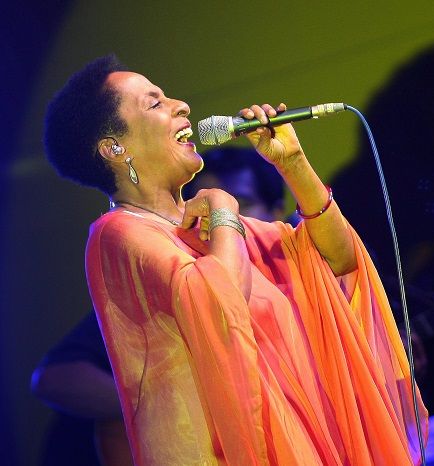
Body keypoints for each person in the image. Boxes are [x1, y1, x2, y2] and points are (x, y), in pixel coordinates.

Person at [43, 54, 427, 465]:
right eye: (154, 103)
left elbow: (337, 259)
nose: (181, 105)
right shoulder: (119, 233)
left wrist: (293, 164)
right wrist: (223, 205)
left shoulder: (216, 227)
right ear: (114, 148)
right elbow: (220, 305)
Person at [30, 147, 293, 466]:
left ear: (277, 213)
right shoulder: (176, 280)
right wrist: (165, 407)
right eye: (207, 206)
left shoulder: (291, 279)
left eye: (241, 203)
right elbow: (53, 376)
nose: (223, 218)